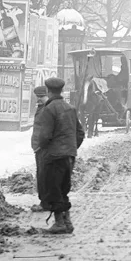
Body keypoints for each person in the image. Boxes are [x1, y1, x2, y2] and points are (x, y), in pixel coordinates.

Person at [31, 77, 85, 233]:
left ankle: (60, 223)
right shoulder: (70, 108)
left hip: (53, 156)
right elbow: (80, 133)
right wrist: (71, 148)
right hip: (69, 156)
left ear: (48, 91)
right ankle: (67, 222)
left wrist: (43, 149)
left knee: (54, 189)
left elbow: (44, 136)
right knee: (63, 188)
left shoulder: (49, 109)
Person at [30, 85, 49, 213]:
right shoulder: (42, 108)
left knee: (44, 176)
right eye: (38, 97)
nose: (39, 99)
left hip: (44, 148)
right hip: (39, 148)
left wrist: (42, 145)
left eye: (42, 97)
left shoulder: (49, 110)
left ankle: (46, 203)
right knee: (42, 175)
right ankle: (45, 201)